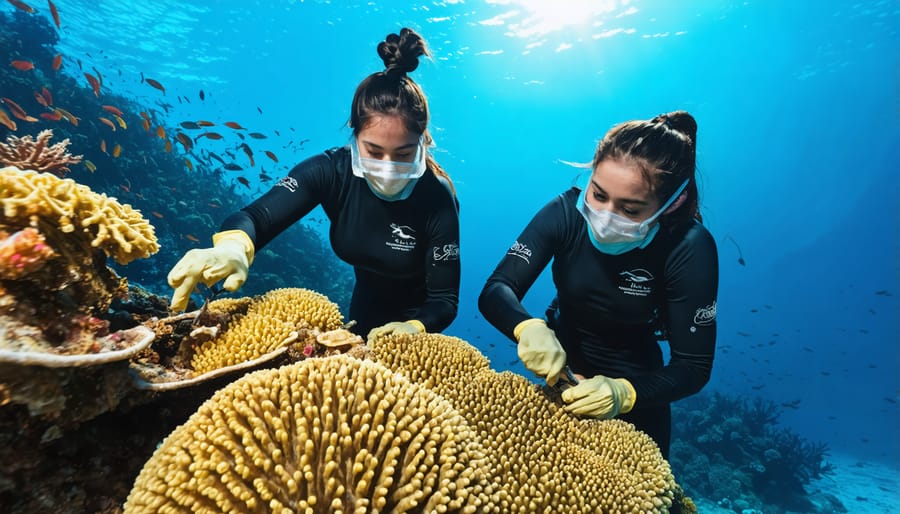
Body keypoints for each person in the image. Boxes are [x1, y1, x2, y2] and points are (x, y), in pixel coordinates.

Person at [168, 28, 460, 340]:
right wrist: (233, 247)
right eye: (374, 152)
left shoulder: (437, 197)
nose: (387, 169)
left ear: (423, 144)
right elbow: (256, 217)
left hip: (419, 322)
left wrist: (414, 327)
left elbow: (444, 300)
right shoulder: (328, 171)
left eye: (403, 154)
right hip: (363, 305)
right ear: (354, 137)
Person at [478, 111, 718, 458]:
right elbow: (497, 289)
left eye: (630, 210)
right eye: (598, 194)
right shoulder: (564, 212)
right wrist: (526, 327)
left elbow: (693, 368)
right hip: (560, 381)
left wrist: (625, 394)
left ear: (671, 204)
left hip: (640, 398)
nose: (605, 217)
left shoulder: (690, 246)